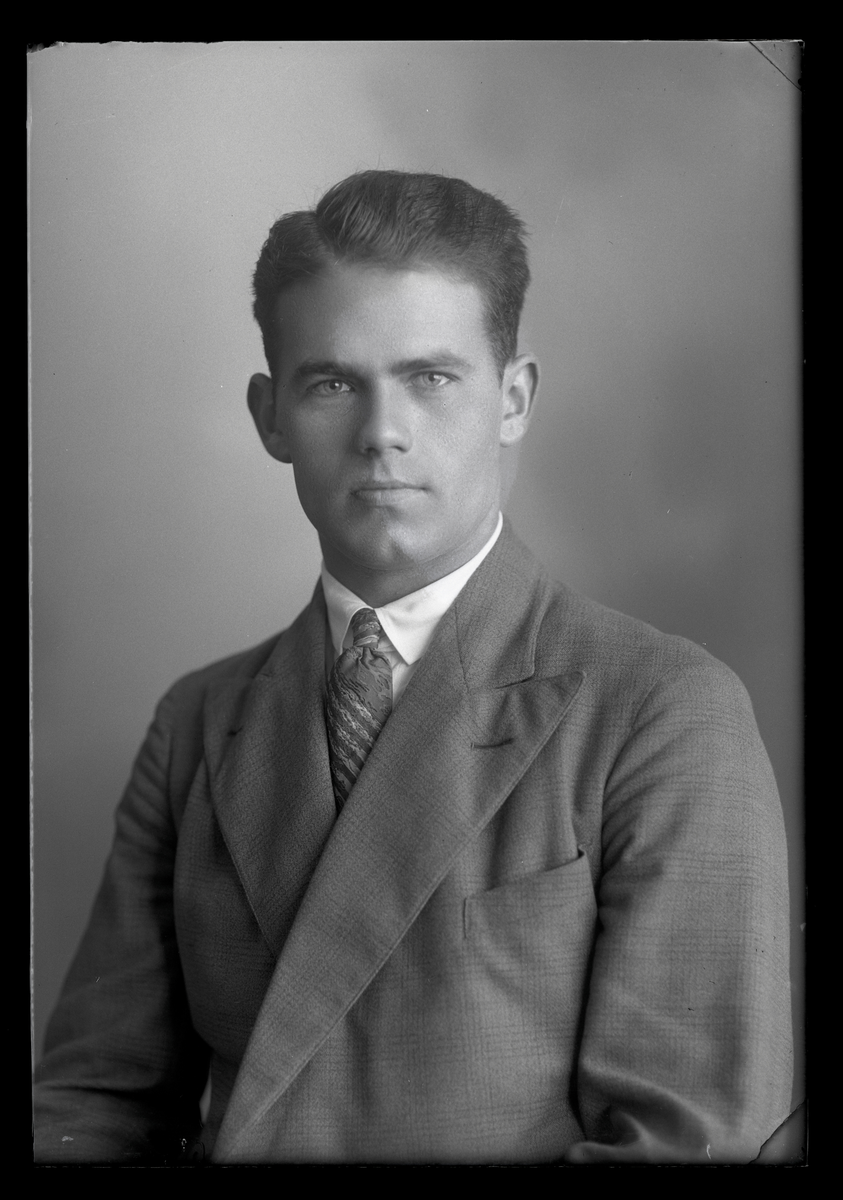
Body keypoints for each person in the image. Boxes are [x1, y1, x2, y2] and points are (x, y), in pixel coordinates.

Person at [34, 170, 793, 1165]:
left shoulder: (661, 710)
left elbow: (689, 1144)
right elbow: (94, 1107)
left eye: (431, 378)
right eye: (332, 383)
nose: (381, 432)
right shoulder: (199, 721)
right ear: (270, 415)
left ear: (512, 399)